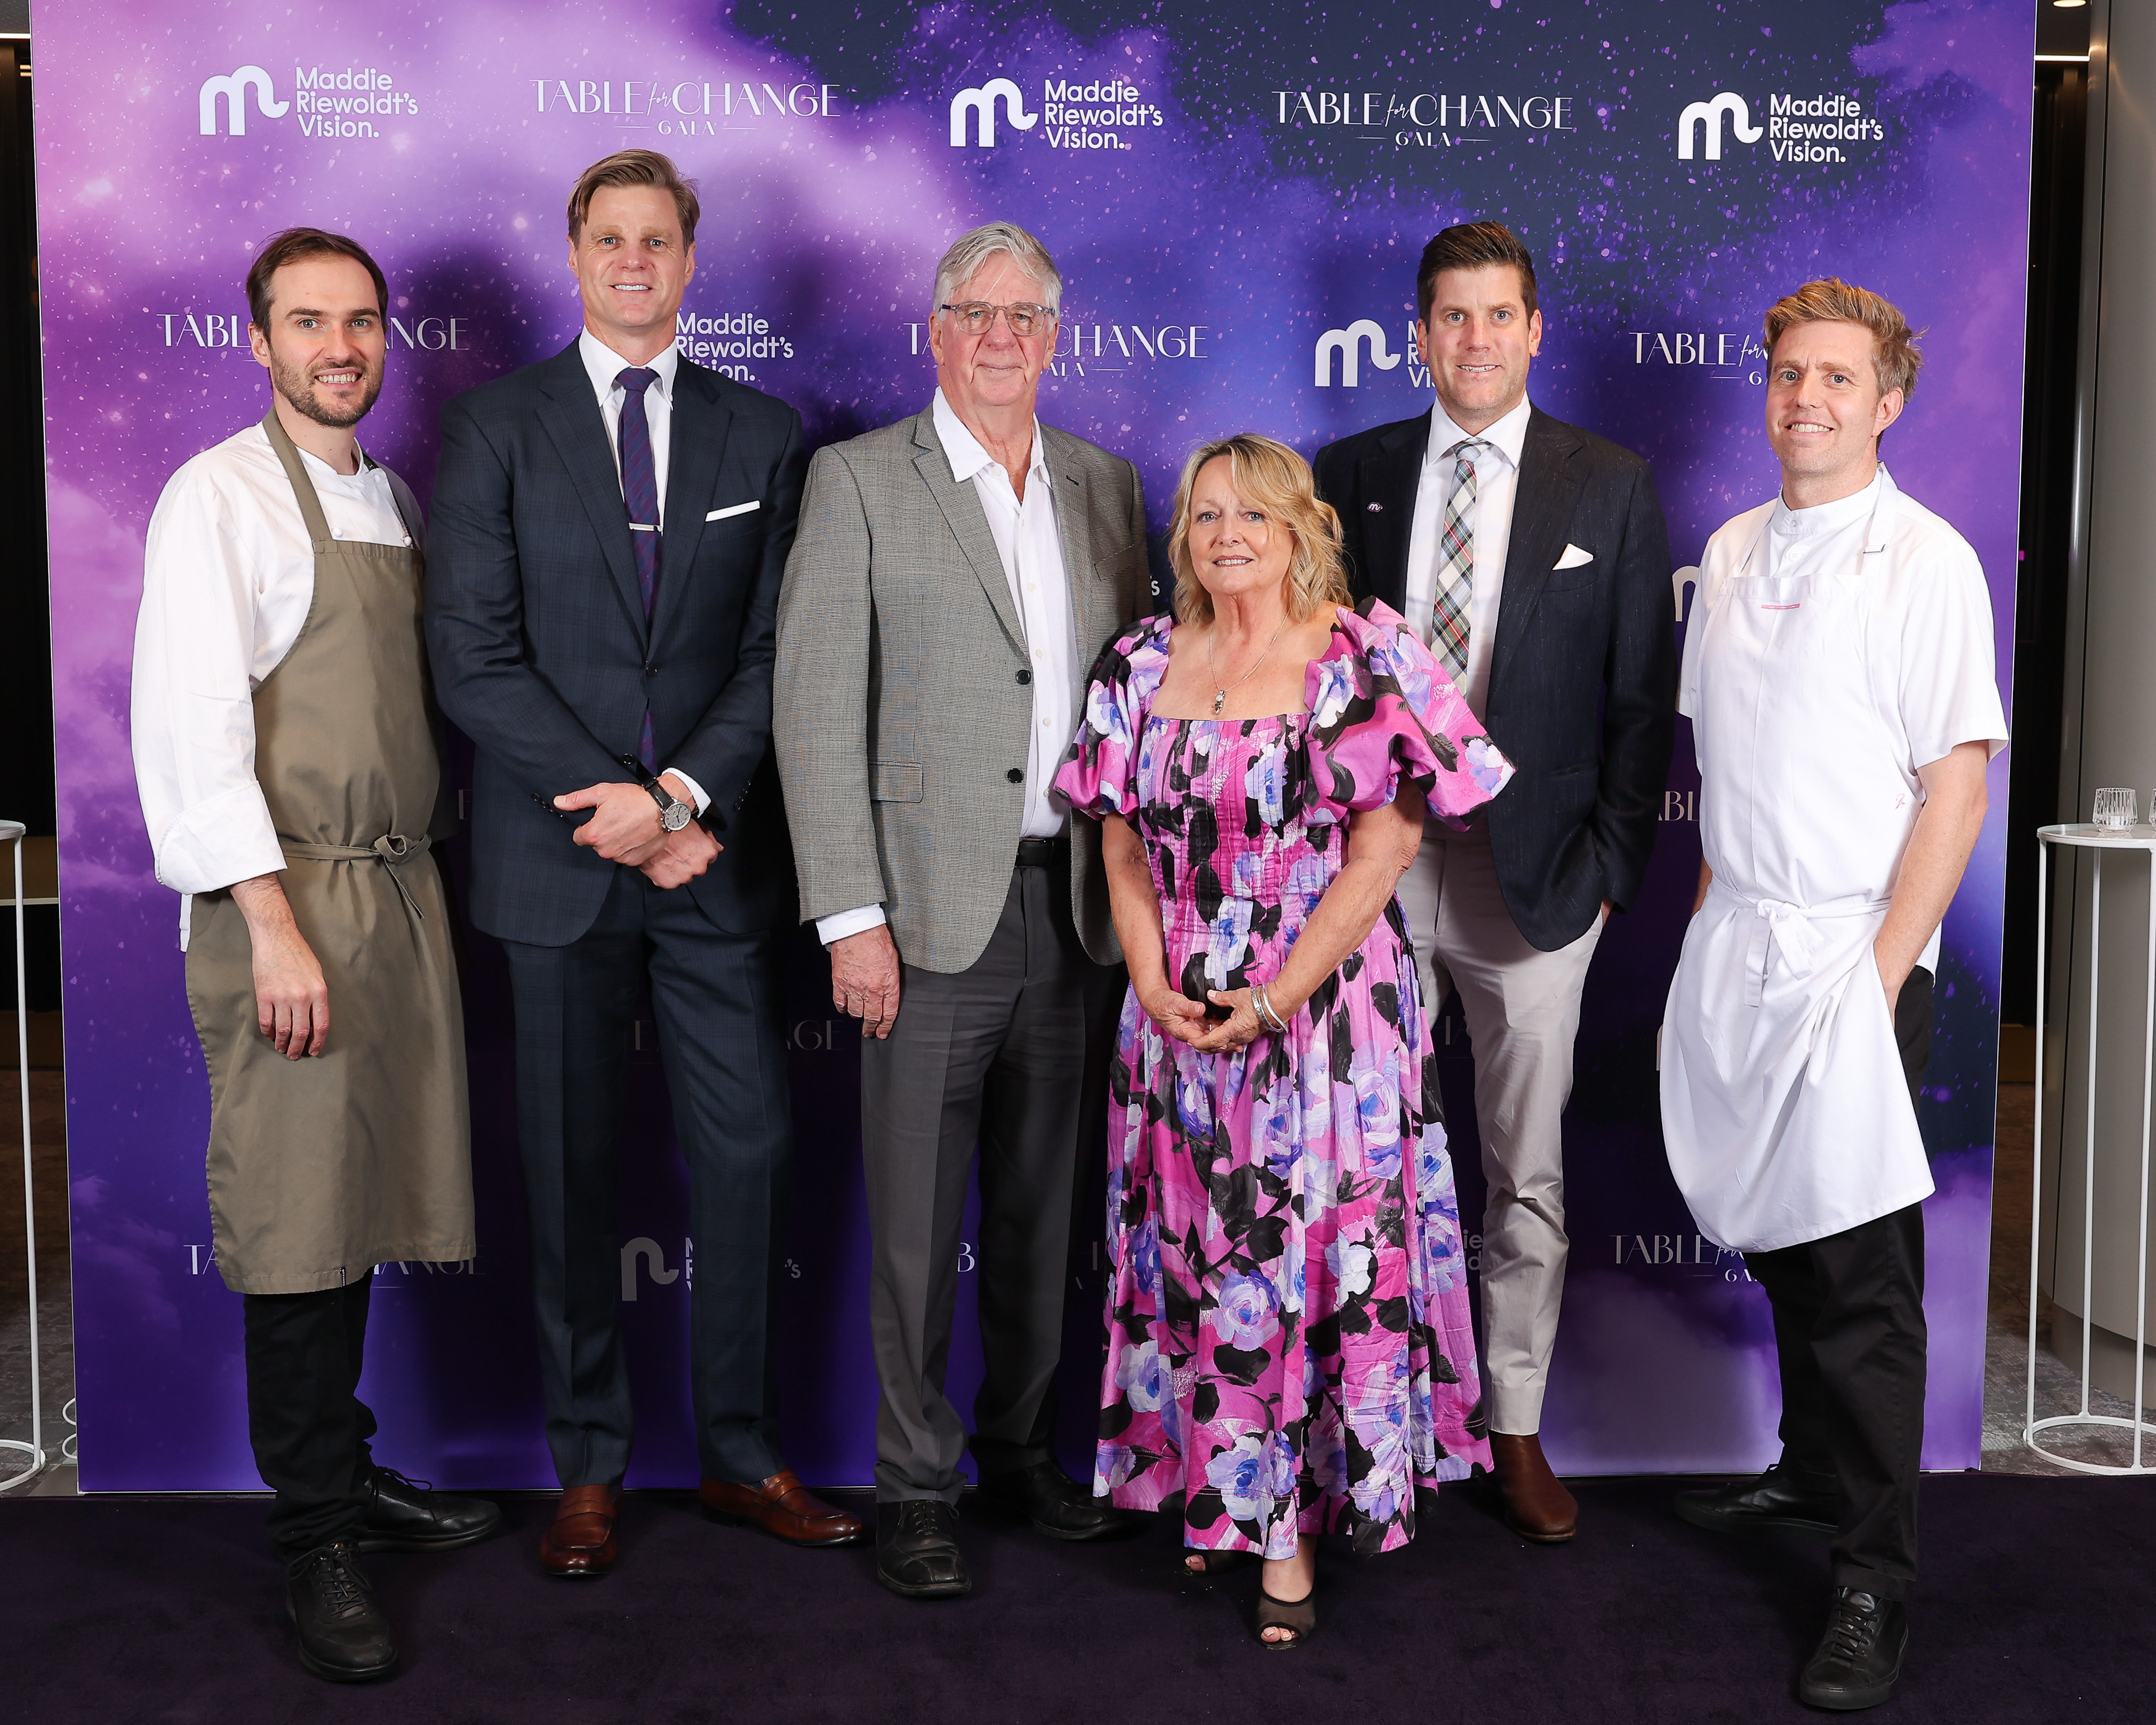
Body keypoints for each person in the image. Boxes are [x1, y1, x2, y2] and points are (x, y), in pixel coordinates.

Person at [426, 150, 860, 1575]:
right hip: (556, 862)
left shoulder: (762, 432)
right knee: (567, 1169)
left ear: (688, 259)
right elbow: (471, 655)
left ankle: (738, 1454)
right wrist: (614, 806)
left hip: (707, 858)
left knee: (750, 1151)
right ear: (573, 255)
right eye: (608, 238)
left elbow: (774, 652)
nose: (632, 260)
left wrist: (674, 801)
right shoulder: (494, 425)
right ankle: (588, 1467)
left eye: (656, 239)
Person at [1054, 434, 1506, 1648]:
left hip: (1323, 1023)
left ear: (1302, 527)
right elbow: (1118, 841)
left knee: (1305, 1268)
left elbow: (1386, 850)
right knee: (1198, 1261)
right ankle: (1225, 1495)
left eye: (1253, 514)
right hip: (1173, 1021)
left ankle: (1289, 1537)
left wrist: (1270, 1000)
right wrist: (1151, 981)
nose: (1228, 535)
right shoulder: (1140, 660)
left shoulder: (1362, 654)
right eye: (1206, 515)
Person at [131, 228, 499, 1683]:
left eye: (359, 321)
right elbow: (191, 729)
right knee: (297, 1225)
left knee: (359, 1203)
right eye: (306, 322)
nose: (338, 347)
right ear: (259, 340)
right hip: (286, 899)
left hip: (396, 892)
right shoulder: (217, 497)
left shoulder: (391, 498)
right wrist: (272, 926)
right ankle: (314, 1541)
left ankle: (347, 1474)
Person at [773, 221, 1150, 1600]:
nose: (999, 336)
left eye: (1023, 315)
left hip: (1076, 907)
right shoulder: (859, 479)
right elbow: (815, 711)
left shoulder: (1107, 486)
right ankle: (915, 1486)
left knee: (1047, 1214)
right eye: (973, 313)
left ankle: (1020, 1453)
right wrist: (849, 917)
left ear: (1054, 338)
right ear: (933, 332)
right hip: (924, 918)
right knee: (917, 1227)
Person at [1659, 280, 2005, 1711]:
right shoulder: (1732, 549)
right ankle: (1807, 1470)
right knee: (1785, 1243)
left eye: (1837, 379)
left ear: (1887, 402)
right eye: (1788, 375)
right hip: (1739, 937)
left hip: (1854, 951)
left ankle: (1872, 1581)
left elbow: (1954, 784)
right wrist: (1702, 937)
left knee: (1860, 1279)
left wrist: (1875, 978)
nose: (1805, 398)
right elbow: (1725, 769)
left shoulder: (1923, 560)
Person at [1312, 221, 1676, 1542]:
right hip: (1378, 866)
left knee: (1523, 1171)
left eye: (1498, 315)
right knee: (1363, 1158)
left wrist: (1609, 872)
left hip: (1538, 882)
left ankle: (1511, 1424)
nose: (1474, 339)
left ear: (1534, 330)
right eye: (1451, 316)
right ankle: (1368, 1426)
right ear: (1417, 335)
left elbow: (1640, 699)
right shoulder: (1347, 474)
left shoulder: (1606, 484)